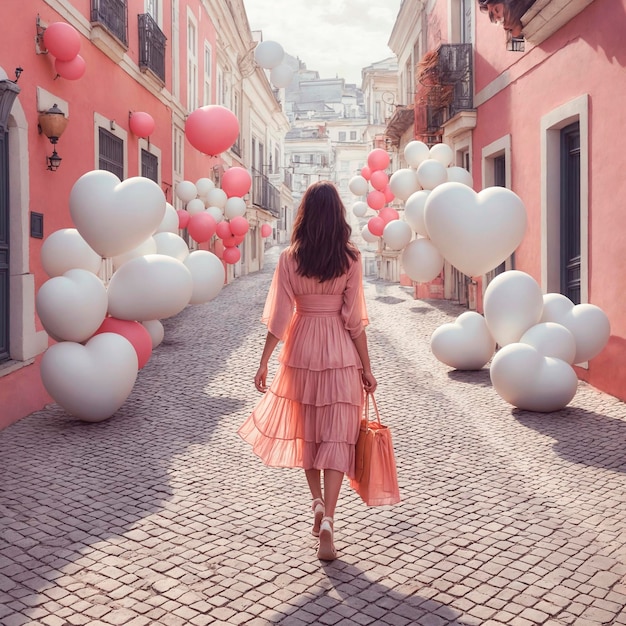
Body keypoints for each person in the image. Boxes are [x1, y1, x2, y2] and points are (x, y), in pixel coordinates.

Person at [238, 181, 377, 561]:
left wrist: (265, 359)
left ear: (304, 216)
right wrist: (367, 368)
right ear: (338, 216)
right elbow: (354, 321)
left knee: (309, 434)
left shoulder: (289, 258)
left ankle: (315, 503)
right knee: (338, 437)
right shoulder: (350, 258)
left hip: (300, 349)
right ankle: (330, 518)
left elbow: (281, 316)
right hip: (339, 351)